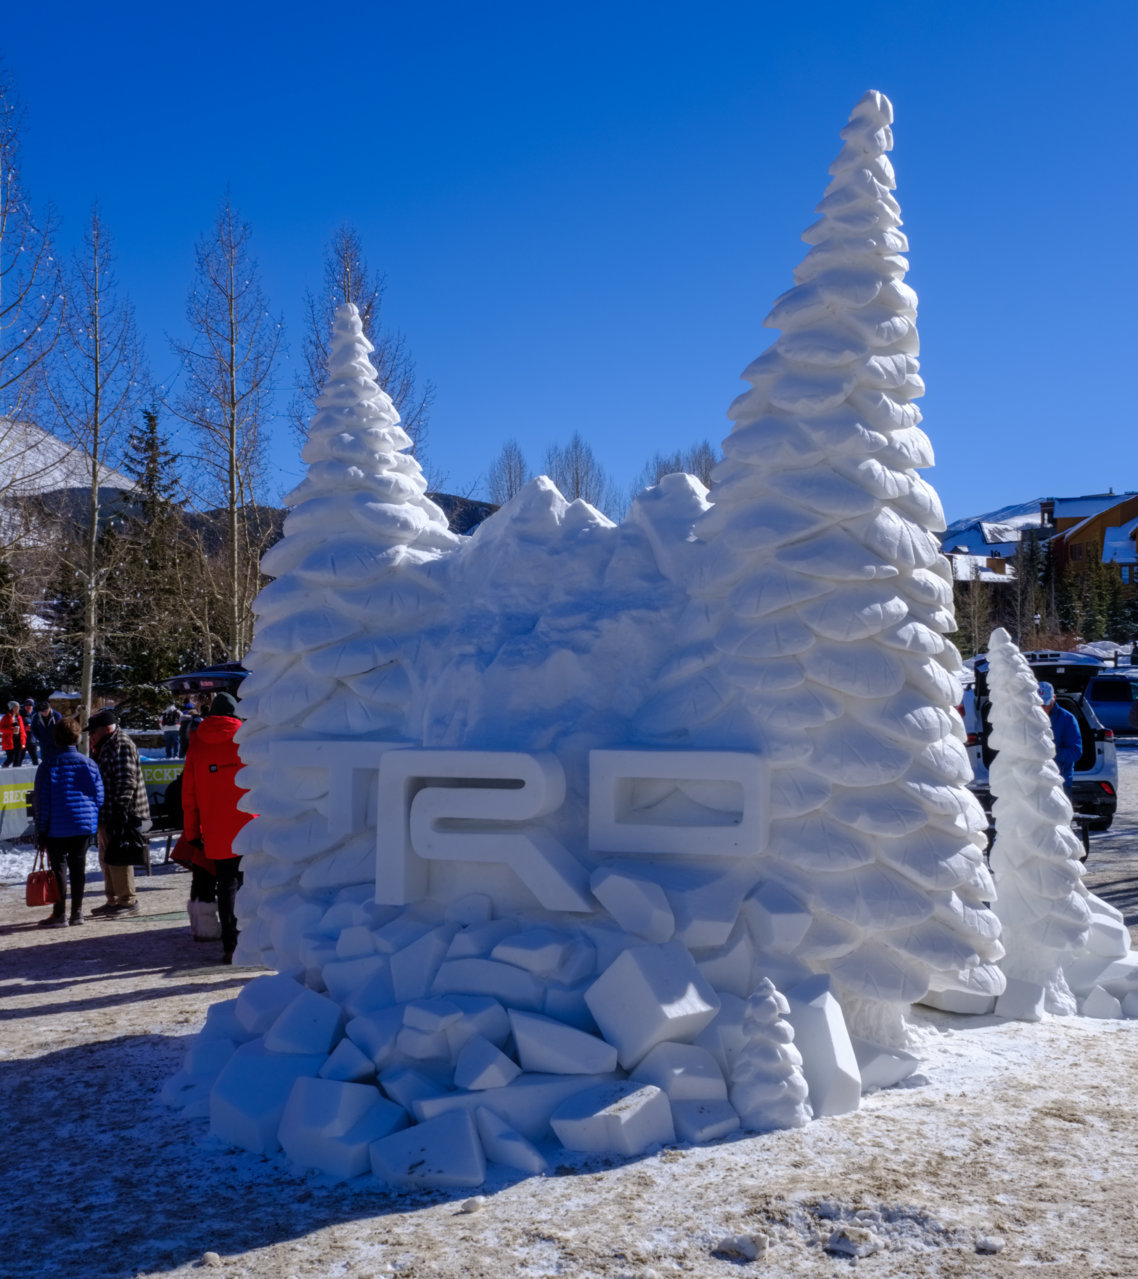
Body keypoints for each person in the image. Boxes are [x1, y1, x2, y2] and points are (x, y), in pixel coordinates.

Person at [180, 691, 253, 963]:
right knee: (253, 884)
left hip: (216, 827)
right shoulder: (248, 740)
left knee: (226, 885)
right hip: (250, 824)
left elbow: (189, 795)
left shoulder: (197, 745)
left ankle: (230, 945)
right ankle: (256, 940)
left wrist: (192, 833)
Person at [33, 718, 104, 927]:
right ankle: (77, 912)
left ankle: (59, 913)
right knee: (78, 866)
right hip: (82, 825)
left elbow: (42, 800)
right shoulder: (89, 763)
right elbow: (99, 796)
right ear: (77, 737)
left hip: (57, 825)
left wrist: (41, 828)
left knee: (59, 868)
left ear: (55, 737)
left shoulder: (48, 765)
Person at [86, 707, 152, 917]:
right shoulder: (106, 744)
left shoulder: (120, 744)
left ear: (106, 729)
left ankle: (127, 900)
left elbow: (126, 780)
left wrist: (120, 810)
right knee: (108, 856)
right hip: (108, 811)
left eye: (94, 731)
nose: (91, 735)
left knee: (119, 855)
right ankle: (113, 899)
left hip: (122, 813)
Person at [1039, 681, 1083, 794]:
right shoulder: (1027, 718)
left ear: (1054, 697)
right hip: (1033, 782)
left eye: (1046, 704)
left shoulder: (1067, 719)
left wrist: (1052, 752)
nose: (1043, 708)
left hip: (1060, 781)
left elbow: (1075, 752)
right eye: (1039, 704)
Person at [30, 701, 63, 767]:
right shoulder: (36, 717)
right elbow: (33, 728)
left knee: (56, 760)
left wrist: (58, 738)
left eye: (46, 711)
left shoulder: (57, 716)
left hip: (55, 743)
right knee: (45, 761)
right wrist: (40, 738)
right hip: (44, 743)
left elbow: (61, 728)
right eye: (42, 711)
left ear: (49, 708)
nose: (44, 713)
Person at [1, 700, 27, 767]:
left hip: (19, 741)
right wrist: (12, 729)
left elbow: (22, 729)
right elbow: (1, 729)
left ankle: (16, 773)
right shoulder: (6, 718)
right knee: (11, 758)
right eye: (15, 707)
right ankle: (3, 771)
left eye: (18, 707)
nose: (17, 709)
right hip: (9, 741)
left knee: (18, 759)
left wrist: (24, 737)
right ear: (11, 708)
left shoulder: (19, 717)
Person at [21, 698, 39, 765]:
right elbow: (15, 725)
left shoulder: (36, 715)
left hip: (32, 740)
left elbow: (39, 725)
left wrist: (32, 727)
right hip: (23, 740)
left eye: (30, 705)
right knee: (19, 759)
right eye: (26, 705)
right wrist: (24, 728)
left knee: (35, 759)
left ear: (33, 706)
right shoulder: (20, 714)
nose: (28, 706)